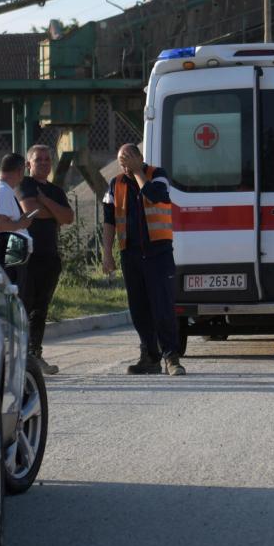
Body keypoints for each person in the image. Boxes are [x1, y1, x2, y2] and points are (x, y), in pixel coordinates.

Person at [101, 142, 183, 376]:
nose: (124, 165)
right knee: (139, 309)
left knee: (163, 306)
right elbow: (109, 221)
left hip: (158, 253)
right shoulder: (114, 184)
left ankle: (172, 358)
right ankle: (149, 357)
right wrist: (107, 254)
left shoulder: (157, 175)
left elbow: (156, 196)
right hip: (131, 254)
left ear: (139, 158)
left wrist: (137, 172)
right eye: (121, 161)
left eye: (128, 159)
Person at [18, 144, 72, 377]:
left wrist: (45, 201)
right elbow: (31, 210)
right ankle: (19, 356)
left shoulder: (55, 191)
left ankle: (35, 354)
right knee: (24, 306)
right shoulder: (24, 184)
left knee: (40, 310)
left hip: (50, 257)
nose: (43, 163)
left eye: (47, 160)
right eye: (38, 160)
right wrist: (50, 209)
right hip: (27, 257)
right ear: (29, 164)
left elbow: (68, 217)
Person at [0, 152, 32, 289]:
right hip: (9, 258)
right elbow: (0, 225)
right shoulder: (1, 191)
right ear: (20, 171)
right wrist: (21, 224)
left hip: (11, 256)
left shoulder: (1, 189)